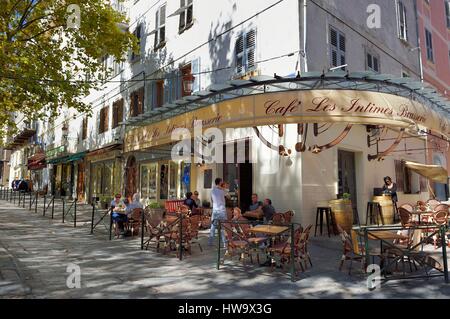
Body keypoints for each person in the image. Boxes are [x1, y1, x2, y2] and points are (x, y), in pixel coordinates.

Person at [208, 177, 228, 247]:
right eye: (222, 181)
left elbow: (211, 199)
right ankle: (225, 243)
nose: (222, 182)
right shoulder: (223, 190)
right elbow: (229, 197)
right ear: (220, 182)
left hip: (215, 210)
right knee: (223, 227)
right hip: (222, 210)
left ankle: (210, 242)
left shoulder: (212, 190)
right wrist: (224, 189)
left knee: (213, 226)